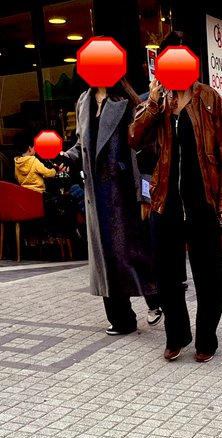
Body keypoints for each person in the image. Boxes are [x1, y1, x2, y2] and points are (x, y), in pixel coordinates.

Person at [129, 31, 222, 363]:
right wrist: (152, 104)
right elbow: (134, 138)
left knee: (209, 276)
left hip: (202, 202)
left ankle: (206, 337)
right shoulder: (157, 100)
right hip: (165, 202)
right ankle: (176, 334)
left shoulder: (209, 99)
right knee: (166, 275)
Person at [60, 78, 162, 335]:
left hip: (123, 191)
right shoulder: (84, 101)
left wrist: (144, 195)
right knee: (107, 259)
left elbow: (142, 148)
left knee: (133, 254)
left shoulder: (126, 102)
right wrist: (68, 158)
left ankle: (156, 299)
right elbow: (81, 144)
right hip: (96, 194)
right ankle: (121, 318)